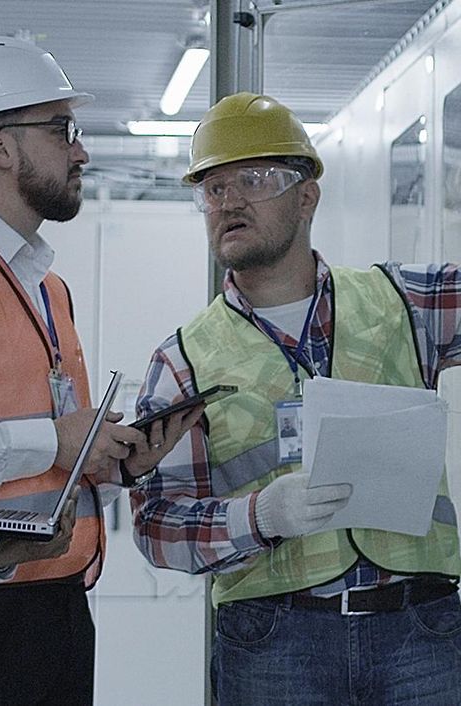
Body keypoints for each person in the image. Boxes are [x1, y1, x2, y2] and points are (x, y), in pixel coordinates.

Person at [130, 91, 461, 705]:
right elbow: (154, 524)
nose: (228, 200)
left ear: (306, 195)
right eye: (212, 188)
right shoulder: (184, 361)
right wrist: (258, 518)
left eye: (252, 179)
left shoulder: (403, 303)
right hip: (274, 642)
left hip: (420, 627)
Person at [0, 36, 203, 706]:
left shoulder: (51, 291)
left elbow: (56, 463)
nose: (81, 151)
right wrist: (55, 440)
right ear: (0, 146)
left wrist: (111, 464)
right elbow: (51, 438)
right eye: (62, 130)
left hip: (56, 610)